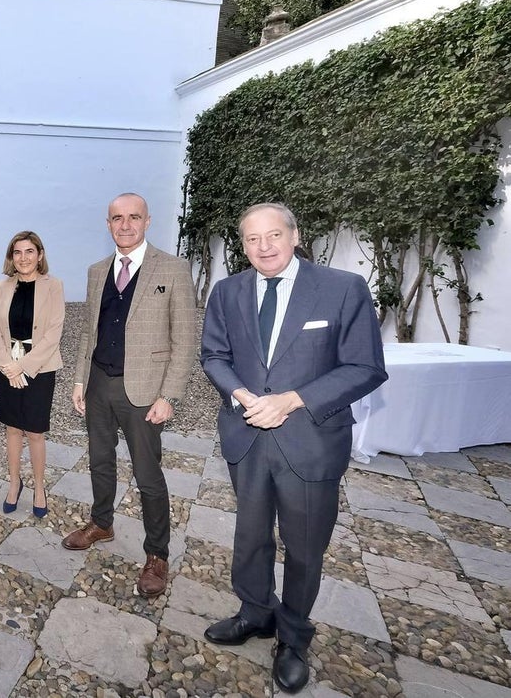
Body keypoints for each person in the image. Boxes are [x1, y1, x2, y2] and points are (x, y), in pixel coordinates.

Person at [200, 203, 386, 693]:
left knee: (304, 548)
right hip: (246, 436)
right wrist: (241, 395)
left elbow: (365, 366)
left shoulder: (342, 289)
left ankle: (294, 636)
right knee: (251, 536)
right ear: (242, 245)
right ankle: (255, 613)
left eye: (274, 235)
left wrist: (292, 400)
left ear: (295, 235)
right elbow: (214, 355)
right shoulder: (227, 291)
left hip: (310, 441)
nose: (264, 247)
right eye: (252, 239)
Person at [64, 193, 198, 600]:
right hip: (99, 384)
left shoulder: (173, 269)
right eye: (117, 218)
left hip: (144, 392)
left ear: (147, 221)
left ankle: (157, 553)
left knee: (148, 474)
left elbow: (185, 339)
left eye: (133, 217)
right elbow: (89, 331)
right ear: (108, 224)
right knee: (100, 461)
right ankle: (101, 523)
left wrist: (169, 395)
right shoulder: (96, 271)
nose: (125, 224)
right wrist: (79, 380)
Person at [0, 231, 65, 518]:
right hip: (6, 366)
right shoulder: (2, 286)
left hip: (39, 369)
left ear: (40, 255)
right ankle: (14, 482)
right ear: (11, 257)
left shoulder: (53, 286)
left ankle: (40, 487)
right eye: (17, 252)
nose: (23, 258)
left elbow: (53, 334)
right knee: (11, 428)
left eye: (29, 251)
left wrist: (22, 367)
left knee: (34, 431)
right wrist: (6, 364)